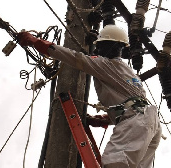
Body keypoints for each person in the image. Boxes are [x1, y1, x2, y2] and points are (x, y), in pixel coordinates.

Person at [17, 24, 162, 168]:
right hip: (150, 121)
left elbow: (74, 58)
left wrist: (35, 41)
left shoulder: (105, 64)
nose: (99, 50)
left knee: (114, 164)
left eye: (102, 45)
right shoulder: (126, 71)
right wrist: (104, 119)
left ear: (115, 46)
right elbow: (131, 105)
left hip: (136, 121)